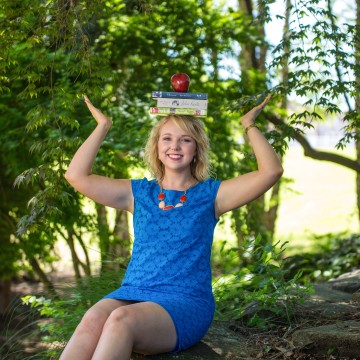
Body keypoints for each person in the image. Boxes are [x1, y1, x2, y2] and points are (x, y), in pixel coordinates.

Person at [60, 93, 283, 360]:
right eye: (167, 138)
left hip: (185, 301)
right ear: (156, 146)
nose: (175, 146)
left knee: (120, 320)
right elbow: (75, 175)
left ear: (196, 148)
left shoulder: (212, 195)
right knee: (94, 316)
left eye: (185, 139)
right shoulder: (138, 193)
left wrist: (249, 124)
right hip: (134, 291)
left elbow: (271, 172)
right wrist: (102, 126)